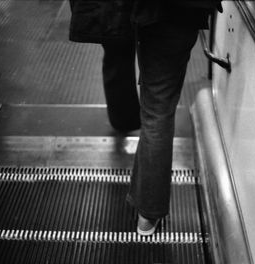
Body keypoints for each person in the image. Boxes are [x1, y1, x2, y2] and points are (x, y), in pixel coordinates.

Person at [69, 0, 218, 236]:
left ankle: (123, 117)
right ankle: (148, 215)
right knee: (158, 109)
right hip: (179, 12)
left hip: (120, 8)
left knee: (117, 53)